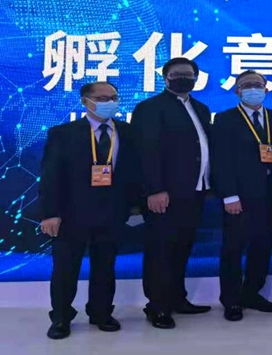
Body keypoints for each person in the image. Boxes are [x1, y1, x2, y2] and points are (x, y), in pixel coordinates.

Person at [39, 82, 140, 340]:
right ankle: (61, 318)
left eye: (113, 97)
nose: (109, 102)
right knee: (65, 269)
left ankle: (101, 313)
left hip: (113, 212)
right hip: (71, 214)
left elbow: (135, 173)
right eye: (102, 98)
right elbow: (51, 176)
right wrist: (50, 213)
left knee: (105, 267)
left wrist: (135, 207)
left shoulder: (128, 132)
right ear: (85, 101)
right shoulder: (63, 133)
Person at [131, 57, 212, 329]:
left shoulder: (201, 108)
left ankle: (177, 298)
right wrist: (155, 189)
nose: (182, 78)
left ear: (196, 78)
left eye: (188, 74)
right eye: (176, 74)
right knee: (161, 251)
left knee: (182, 248)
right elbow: (147, 151)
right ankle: (157, 307)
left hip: (195, 191)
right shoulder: (150, 108)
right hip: (164, 195)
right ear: (165, 78)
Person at [212, 71, 272, 321]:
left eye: (258, 84)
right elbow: (220, 160)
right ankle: (231, 300)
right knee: (233, 249)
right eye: (247, 85)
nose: (254, 89)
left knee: (262, 247)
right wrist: (229, 195)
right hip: (239, 197)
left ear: (266, 89)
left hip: (269, 196)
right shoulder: (225, 119)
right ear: (237, 91)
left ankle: (252, 293)